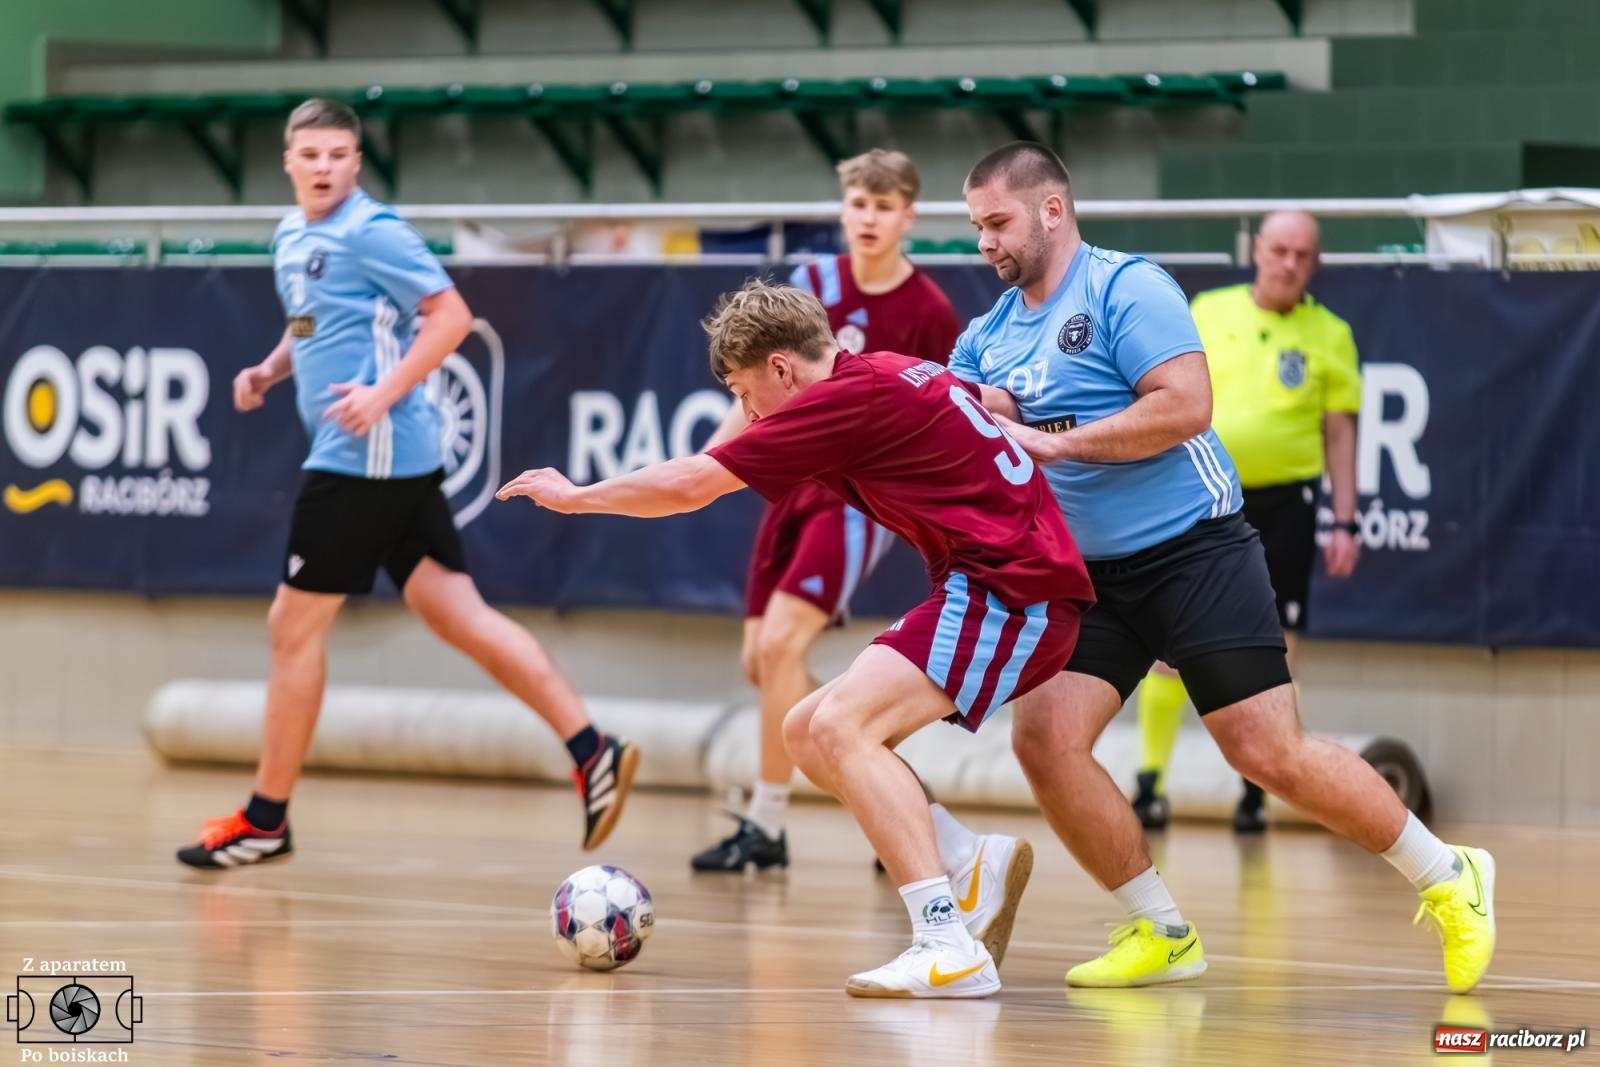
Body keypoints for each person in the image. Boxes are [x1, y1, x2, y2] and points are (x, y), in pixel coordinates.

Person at [954, 141, 1494, 994]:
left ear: (1051, 210)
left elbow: (1184, 407)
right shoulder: (986, 332)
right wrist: (983, 416)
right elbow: (982, 417)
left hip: (1194, 549)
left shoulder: (1127, 287)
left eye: (996, 222)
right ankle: (1159, 927)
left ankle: (1449, 872)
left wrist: (1047, 443)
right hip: (1089, 575)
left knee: (1265, 751)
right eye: (975, 225)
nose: (983, 241)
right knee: (1044, 740)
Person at [497, 280, 1095, 998]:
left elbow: (691, 484)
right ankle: (971, 863)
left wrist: (578, 495)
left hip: (1014, 589)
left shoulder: (835, 399)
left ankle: (944, 940)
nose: (746, 416)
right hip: (997, 580)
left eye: (748, 395)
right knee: (806, 728)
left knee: (843, 726)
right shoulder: (878, 368)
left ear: (783, 369)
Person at [176, 98, 638, 870]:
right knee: (456, 613)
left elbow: (450, 316)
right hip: (383, 452)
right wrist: (268, 369)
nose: (324, 167)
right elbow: (311, 322)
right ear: (288, 161)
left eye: (338, 155)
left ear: (356, 163)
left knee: (291, 628)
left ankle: (266, 817)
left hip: (366, 454)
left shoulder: (373, 230)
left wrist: (380, 394)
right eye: (310, 154)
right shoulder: (293, 236)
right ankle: (594, 749)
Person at [691, 148, 965, 874]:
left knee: (781, 648)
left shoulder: (927, 310)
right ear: (842, 210)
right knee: (762, 661)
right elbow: (750, 395)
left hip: (854, 499)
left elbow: (948, 403)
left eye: (884, 206)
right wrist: (702, 467)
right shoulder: (809, 285)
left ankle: (768, 824)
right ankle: (895, 783)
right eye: (858, 204)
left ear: (908, 216)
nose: (869, 218)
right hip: (788, 484)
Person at [1132, 210, 1364, 834]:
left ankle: (1257, 788)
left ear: (1315, 263)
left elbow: (1341, 432)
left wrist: (1345, 521)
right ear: (1258, 250)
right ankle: (1150, 780)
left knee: (1276, 647)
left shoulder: (1331, 334)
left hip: (1288, 505)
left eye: (1302, 255)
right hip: (1203, 497)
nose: (1288, 264)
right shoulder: (1209, 309)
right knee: (1169, 645)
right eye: (1279, 250)